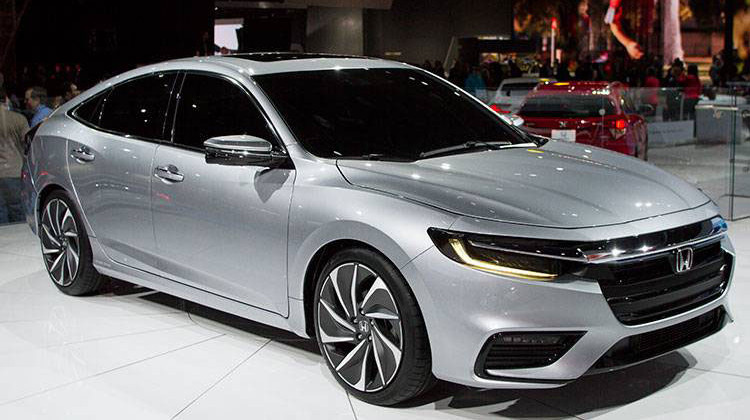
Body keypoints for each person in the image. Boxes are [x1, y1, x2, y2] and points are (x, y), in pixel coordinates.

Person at [0, 86, 29, 224]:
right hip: (14, 170)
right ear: (6, 99)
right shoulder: (19, 119)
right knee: (17, 211)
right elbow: (28, 144)